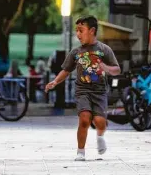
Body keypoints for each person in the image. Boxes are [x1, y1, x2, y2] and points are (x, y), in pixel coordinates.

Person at [45, 16, 120, 161]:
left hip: (100, 92)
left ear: (92, 31)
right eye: (76, 31)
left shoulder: (104, 49)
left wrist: (106, 67)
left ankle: (100, 136)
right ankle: (80, 151)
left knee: (100, 122)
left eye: (81, 30)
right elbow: (66, 70)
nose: (78, 34)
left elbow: (117, 69)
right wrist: (55, 82)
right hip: (82, 91)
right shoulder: (76, 52)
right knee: (84, 119)